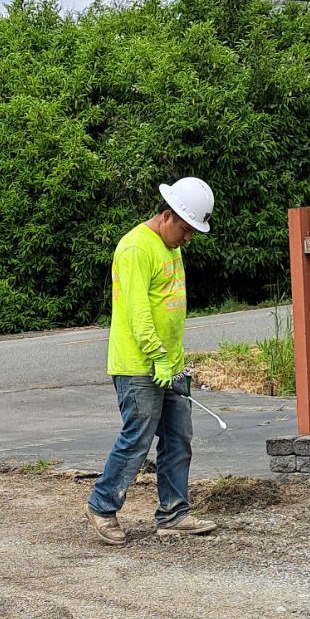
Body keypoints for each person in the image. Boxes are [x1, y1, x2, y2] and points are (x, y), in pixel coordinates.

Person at [86, 177, 219, 545]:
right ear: (166, 216)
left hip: (170, 366)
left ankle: (174, 513)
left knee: (179, 438)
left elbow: (168, 308)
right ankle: (102, 504)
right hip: (138, 365)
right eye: (186, 229)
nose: (188, 238)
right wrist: (157, 356)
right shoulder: (134, 249)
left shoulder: (170, 246)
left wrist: (174, 361)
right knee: (138, 438)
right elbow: (137, 313)